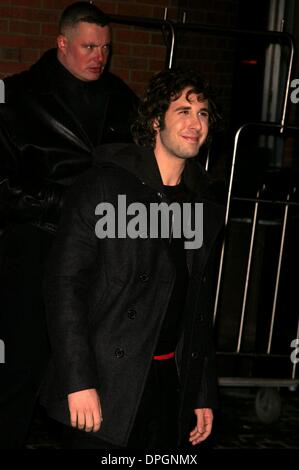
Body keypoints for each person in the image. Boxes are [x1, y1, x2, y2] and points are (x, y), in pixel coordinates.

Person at [41, 67, 224, 450]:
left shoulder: (201, 203)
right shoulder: (106, 186)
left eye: (203, 113)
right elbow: (64, 286)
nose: (195, 123)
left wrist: (201, 389)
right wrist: (78, 381)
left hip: (169, 383)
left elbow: (197, 305)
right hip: (106, 380)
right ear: (156, 120)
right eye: (183, 111)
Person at [0, 1, 138, 449]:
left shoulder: (122, 99)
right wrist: (69, 208)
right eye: (88, 46)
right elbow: (3, 186)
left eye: (105, 47)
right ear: (62, 43)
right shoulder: (17, 96)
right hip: (37, 250)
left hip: (101, 255)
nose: (99, 55)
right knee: (22, 368)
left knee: (93, 370)